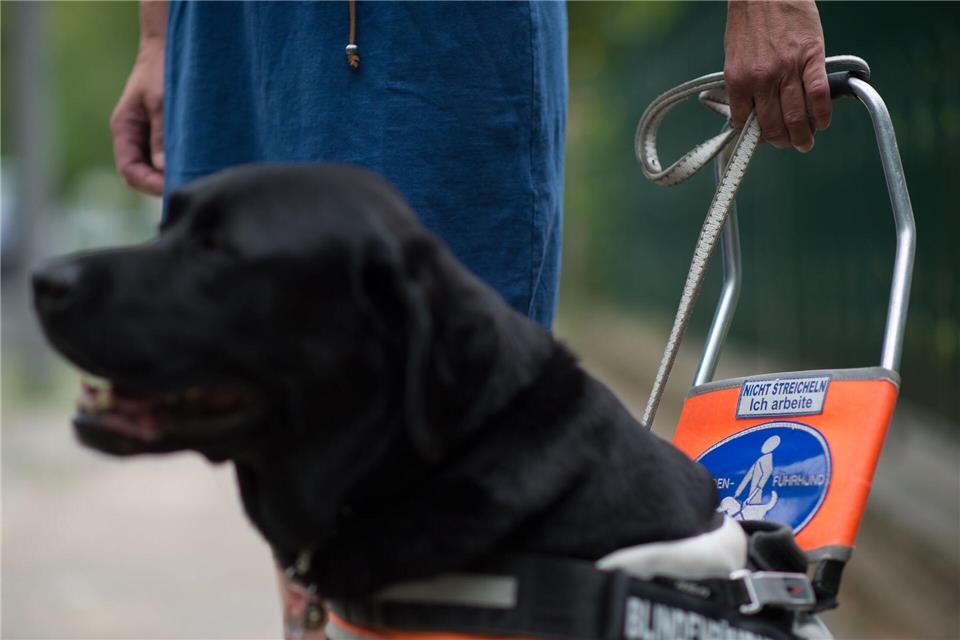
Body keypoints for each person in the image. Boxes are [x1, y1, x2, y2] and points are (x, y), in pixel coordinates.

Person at [110, 2, 831, 636]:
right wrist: (154, 37)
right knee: (285, 419)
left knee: (446, 440)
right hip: (229, 26)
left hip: (432, 36)